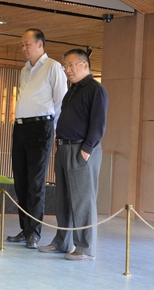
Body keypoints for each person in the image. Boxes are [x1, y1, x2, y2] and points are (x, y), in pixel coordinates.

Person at [38, 48, 108, 260]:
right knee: (63, 200)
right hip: (64, 148)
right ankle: (62, 242)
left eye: (71, 65)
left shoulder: (95, 89)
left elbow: (98, 124)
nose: (67, 70)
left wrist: (86, 150)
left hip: (81, 150)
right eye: (65, 66)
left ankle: (85, 248)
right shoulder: (72, 90)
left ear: (85, 65)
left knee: (82, 201)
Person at [7, 29, 68, 249]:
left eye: (27, 44)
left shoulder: (53, 67)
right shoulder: (25, 69)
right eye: (22, 45)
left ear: (40, 44)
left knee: (35, 182)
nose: (23, 48)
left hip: (41, 126)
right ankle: (25, 229)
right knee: (20, 181)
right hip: (20, 127)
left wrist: (54, 128)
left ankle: (34, 232)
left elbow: (61, 101)